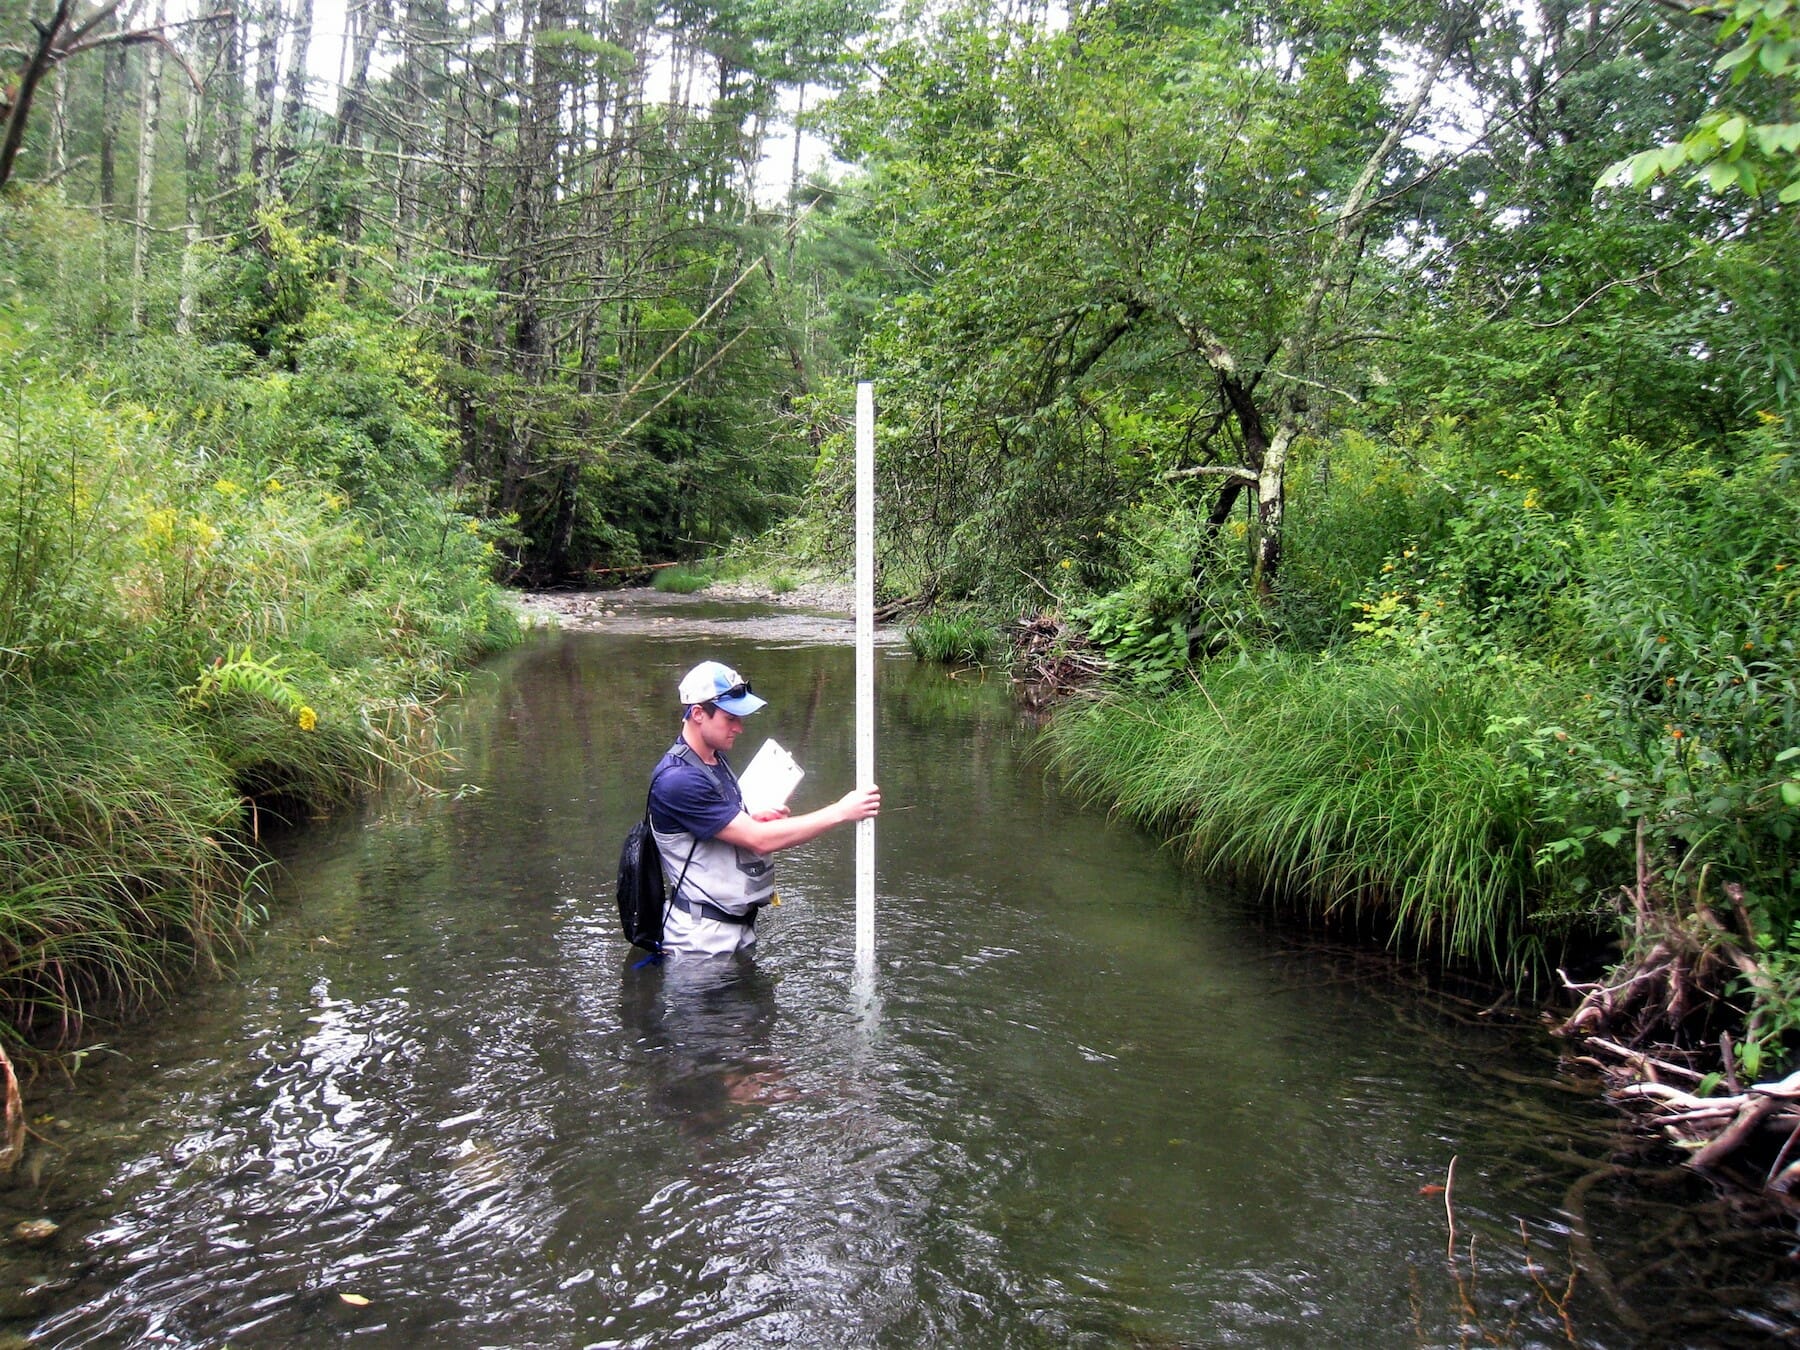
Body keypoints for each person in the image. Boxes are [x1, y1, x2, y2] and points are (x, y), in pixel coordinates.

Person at [648, 660, 880, 958]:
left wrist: (751, 818)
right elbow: (760, 839)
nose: (739, 728)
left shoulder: (713, 760)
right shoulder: (678, 780)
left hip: (728, 931)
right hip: (701, 946)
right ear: (697, 714)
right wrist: (841, 811)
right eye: (730, 718)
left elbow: (717, 829)